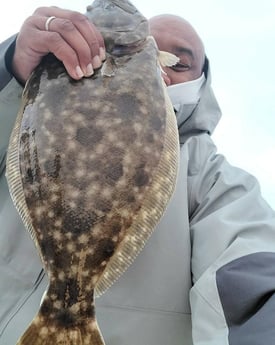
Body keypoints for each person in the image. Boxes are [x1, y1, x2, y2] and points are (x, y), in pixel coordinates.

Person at [0, 6, 275, 345]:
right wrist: (10, 75)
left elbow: (250, 278)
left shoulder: (212, 181)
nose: (161, 69)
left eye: (179, 63)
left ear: (202, 87)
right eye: (154, 52)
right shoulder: (30, 115)